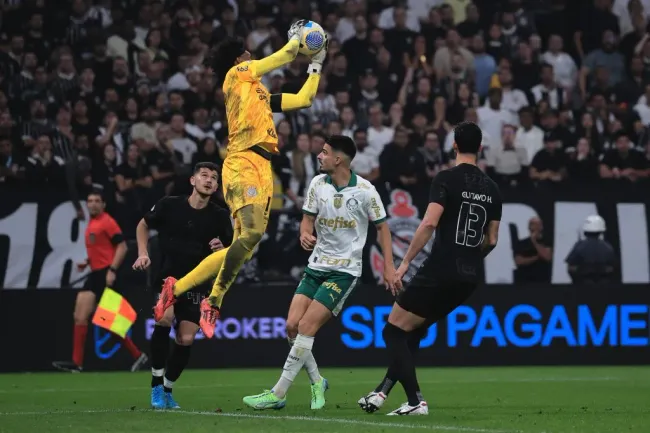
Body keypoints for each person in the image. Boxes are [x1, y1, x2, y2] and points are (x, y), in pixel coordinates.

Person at [154, 21, 328, 334]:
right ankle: (211, 298)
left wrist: (316, 64)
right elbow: (284, 55)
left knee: (245, 244)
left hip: (264, 168)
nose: (250, 55)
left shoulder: (260, 93)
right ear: (238, 60)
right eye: (246, 53)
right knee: (248, 235)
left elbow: (304, 99)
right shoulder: (236, 77)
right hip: (242, 160)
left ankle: (180, 290)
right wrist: (298, 39)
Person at [241, 135, 398, 411]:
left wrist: (388, 266)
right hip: (316, 267)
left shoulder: (364, 190)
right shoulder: (317, 184)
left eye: (324, 152)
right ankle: (317, 381)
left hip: (344, 272)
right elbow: (307, 219)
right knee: (291, 326)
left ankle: (278, 393)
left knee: (306, 327)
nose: (319, 156)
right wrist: (304, 233)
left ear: (338, 159)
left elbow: (383, 228)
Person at [358, 122, 502, 416]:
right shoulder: (492, 188)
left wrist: (406, 263)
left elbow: (429, 223)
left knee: (392, 331)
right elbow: (492, 240)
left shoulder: (446, 178)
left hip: (441, 268)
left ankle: (415, 401)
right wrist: (471, 260)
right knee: (414, 331)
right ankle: (381, 392)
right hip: (469, 277)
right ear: (481, 148)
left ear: (455, 146)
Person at [132, 162, 233, 409]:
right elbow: (143, 225)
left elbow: (233, 251)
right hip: (168, 279)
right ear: (193, 180)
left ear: (217, 186)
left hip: (197, 284)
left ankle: (167, 388)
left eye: (214, 178)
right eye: (204, 175)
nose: (209, 180)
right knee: (164, 320)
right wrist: (142, 253)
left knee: (185, 338)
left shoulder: (220, 216)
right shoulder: (169, 205)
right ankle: (156, 385)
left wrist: (223, 249)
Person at [53, 191, 147, 373]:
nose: (93, 204)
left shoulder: (107, 222)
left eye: (97, 201)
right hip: (95, 274)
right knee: (89, 317)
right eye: (90, 201)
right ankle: (79, 362)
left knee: (102, 319)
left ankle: (79, 363)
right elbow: (103, 249)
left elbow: (122, 246)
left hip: (105, 274)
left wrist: (112, 270)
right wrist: (87, 262)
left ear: (103, 205)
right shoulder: (92, 223)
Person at [565, 215, 616, 285]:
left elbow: (571, 267)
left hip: (582, 287)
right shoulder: (608, 247)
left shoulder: (579, 246)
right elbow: (612, 268)